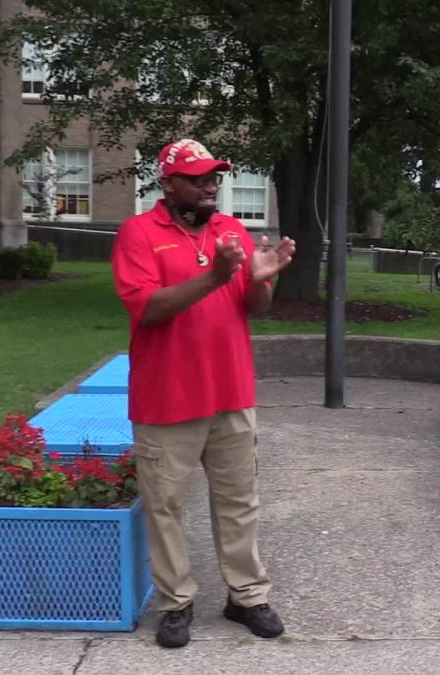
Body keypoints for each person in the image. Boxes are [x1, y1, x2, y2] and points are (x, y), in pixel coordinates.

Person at [111, 139, 296, 649]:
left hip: (230, 392)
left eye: (213, 177)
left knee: (239, 500)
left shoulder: (230, 230)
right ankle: (177, 602)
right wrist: (216, 276)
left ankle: (246, 596)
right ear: (168, 183)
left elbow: (253, 307)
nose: (209, 186)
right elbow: (147, 307)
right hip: (166, 397)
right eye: (196, 178)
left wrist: (261, 282)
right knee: (166, 505)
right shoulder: (137, 234)